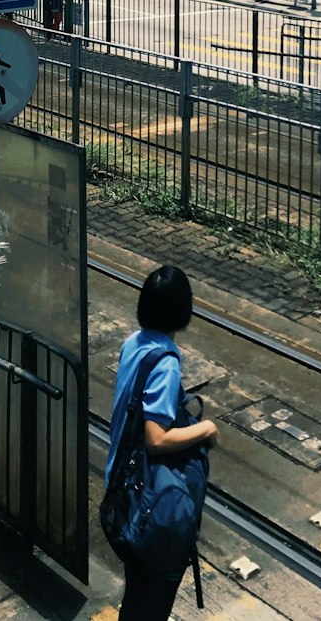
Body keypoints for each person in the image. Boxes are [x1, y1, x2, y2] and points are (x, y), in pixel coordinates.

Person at [106, 266, 218, 620]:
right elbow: (157, 439)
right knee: (151, 601)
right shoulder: (167, 363)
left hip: (122, 487)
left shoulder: (133, 344)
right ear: (183, 313)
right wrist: (206, 429)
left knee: (137, 593)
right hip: (148, 504)